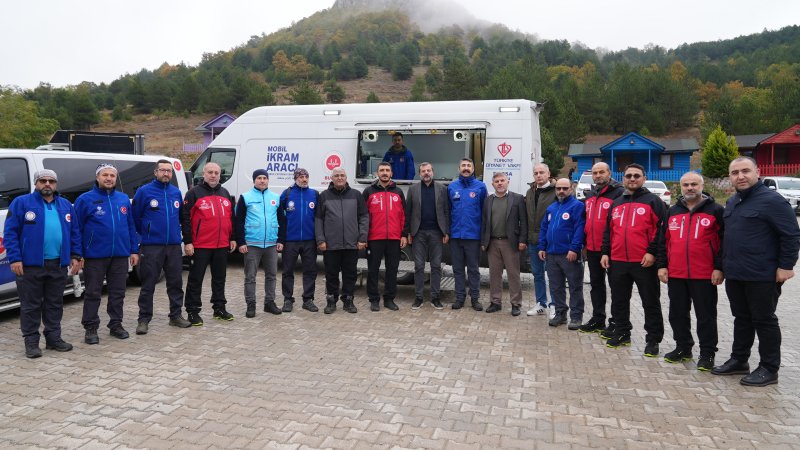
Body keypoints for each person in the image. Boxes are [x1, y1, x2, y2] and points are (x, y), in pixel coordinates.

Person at [711, 157, 800, 386]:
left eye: (745, 171)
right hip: (736, 273)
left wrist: (786, 265)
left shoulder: (773, 201)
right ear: (730, 177)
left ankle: (769, 368)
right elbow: (726, 238)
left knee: (764, 320)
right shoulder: (732, 202)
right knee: (741, 319)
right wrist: (720, 266)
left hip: (762, 274)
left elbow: (791, 234)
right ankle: (739, 360)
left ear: (757, 172)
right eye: (735, 173)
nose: (740, 176)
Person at [4, 170, 81, 358]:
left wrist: (76, 255)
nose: (47, 184)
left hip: (58, 264)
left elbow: (74, 232)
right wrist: (15, 258)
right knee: (30, 306)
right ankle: (31, 343)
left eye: (51, 181)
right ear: (36, 183)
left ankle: (53, 338)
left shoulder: (65, 205)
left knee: (54, 304)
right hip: (30, 266)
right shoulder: (22, 203)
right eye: (43, 180)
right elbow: (10, 233)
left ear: (56, 184)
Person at [656, 172, 724, 371]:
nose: (690, 188)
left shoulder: (716, 210)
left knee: (706, 316)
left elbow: (724, 242)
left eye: (694, 184)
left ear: (702, 186)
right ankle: (683, 348)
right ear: (681, 187)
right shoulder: (672, 211)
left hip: (704, 274)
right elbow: (663, 240)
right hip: (676, 273)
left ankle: (707, 353)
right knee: (677, 314)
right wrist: (662, 265)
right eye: (686, 185)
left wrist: (719, 267)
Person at [600, 163, 666, 356]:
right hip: (618, 260)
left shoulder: (654, 201)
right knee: (619, 300)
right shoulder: (617, 203)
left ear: (644, 178)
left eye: (637, 175)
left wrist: (652, 252)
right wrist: (605, 252)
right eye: (628, 176)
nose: (632, 179)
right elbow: (609, 230)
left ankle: (653, 339)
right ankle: (622, 332)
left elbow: (661, 231)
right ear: (623, 179)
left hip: (644, 261)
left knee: (650, 302)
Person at [74, 164, 139, 344]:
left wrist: (134, 250)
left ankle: (116, 324)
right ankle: (91, 328)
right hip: (94, 256)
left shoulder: (123, 199)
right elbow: (76, 229)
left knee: (118, 292)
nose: (109, 178)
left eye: (112, 175)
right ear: (97, 177)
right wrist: (78, 254)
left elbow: (131, 226)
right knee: (93, 293)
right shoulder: (85, 199)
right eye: (105, 175)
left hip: (120, 255)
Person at [132, 160, 192, 334]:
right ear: (155, 172)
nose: (166, 173)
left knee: (175, 283)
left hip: (173, 246)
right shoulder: (144, 191)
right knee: (148, 284)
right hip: (152, 246)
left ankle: (175, 316)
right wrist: (145, 234)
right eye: (162, 170)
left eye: (169, 171)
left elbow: (181, 217)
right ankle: (143, 319)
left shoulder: (175, 192)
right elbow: (135, 218)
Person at [181, 162, 237, 325]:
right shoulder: (193, 193)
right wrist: (188, 242)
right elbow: (185, 219)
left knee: (220, 279)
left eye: (216, 173)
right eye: (210, 172)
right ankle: (192, 311)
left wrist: (232, 238)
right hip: (201, 245)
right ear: (203, 174)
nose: (213, 175)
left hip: (221, 245)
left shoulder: (225, 193)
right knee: (195, 279)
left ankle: (219, 308)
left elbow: (231, 218)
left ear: (220, 175)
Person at [316, 168, 369, 314]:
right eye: (336, 176)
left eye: (342, 175)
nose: (339, 178)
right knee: (331, 274)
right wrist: (320, 240)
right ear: (331, 178)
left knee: (350, 274)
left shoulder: (356, 195)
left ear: (346, 177)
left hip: (351, 244)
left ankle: (348, 300)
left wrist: (362, 238)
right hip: (330, 244)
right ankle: (331, 300)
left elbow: (364, 217)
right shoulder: (324, 196)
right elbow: (318, 220)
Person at [579, 162, 623, 335]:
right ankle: (598, 319)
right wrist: (584, 244)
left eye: (601, 172)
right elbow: (586, 221)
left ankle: (616, 322)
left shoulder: (619, 193)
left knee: (616, 287)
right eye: (595, 173)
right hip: (592, 248)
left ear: (609, 173)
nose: (598, 175)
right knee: (596, 285)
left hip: (611, 250)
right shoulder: (590, 194)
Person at [538, 178, 586, 329]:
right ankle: (560, 314)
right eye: (558, 188)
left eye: (565, 188)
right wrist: (542, 247)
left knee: (575, 287)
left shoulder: (577, 206)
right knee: (556, 287)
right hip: (551, 254)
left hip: (569, 254)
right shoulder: (551, 208)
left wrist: (574, 249)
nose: (561, 191)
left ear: (571, 188)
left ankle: (576, 317)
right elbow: (544, 228)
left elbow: (580, 228)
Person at [235, 169, 281, 318]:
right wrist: (241, 242)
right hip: (252, 244)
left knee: (272, 275)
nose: (262, 180)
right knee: (250, 277)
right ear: (254, 180)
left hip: (271, 244)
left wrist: (281, 240)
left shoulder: (275, 197)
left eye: (264, 178)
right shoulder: (245, 197)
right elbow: (238, 221)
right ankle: (251, 304)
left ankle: (269, 303)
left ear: (268, 180)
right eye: (259, 178)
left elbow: (282, 219)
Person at [363, 162, 408, 311]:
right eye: (382, 170)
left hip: (394, 238)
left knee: (392, 270)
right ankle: (374, 299)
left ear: (391, 173)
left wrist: (403, 235)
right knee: (373, 270)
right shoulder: (368, 191)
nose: (384, 172)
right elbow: (363, 216)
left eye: (387, 170)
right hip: (374, 238)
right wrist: (364, 237)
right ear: (377, 173)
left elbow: (404, 215)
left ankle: (389, 299)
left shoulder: (398, 192)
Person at [480, 172, 527, 316]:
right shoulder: (488, 200)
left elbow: (524, 221)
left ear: (508, 182)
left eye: (502, 180)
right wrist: (483, 241)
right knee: (494, 274)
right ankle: (495, 302)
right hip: (492, 242)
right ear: (492, 184)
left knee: (513, 274)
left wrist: (522, 240)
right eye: (497, 181)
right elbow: (484, 222)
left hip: (510, 242)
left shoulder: (517, 198)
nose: (500, 183)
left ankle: (516, 303)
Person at [405, 162, 450, 310]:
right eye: (423, 171)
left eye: (428, 170)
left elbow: (446, 211)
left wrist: (446, 231)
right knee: (419, 266)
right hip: (418, 233)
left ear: (433, 172)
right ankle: (418, 297)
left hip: (437, 233)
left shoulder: (442, 189)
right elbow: (408, 212)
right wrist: (408, 232)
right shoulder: (413, 189)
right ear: (419, 174)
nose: (426, 173)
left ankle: (435, 297)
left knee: (436, 266)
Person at [277, 167, 319, 313]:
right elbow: (279, 216)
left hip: (310, 240)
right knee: (287, 271)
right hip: (290, 240)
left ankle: (308, 300)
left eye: (306, 176)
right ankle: (288, 299)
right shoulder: (287, 194)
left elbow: (319, 217)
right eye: (301, 177)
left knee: (310, 271)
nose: (304, 179)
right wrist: (280, 237)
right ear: (295, 178)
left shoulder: (314, 194)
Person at [448, 158, 487, 311]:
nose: (466, 168)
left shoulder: (480, 187)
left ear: (473, 169)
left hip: (473, 236)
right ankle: (459, 297)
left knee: (473, 269)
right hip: (456, 235)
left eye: (468, 166)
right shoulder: (452, 187)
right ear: (459, 168)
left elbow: (484, 213)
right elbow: (448, 210)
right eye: (463, 165)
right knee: (457, 269)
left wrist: (483, 236)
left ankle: (475, 299)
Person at [524, 163, 556, 317]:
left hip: (551, 241)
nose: (538, 175)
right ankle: (541, 304)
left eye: (542, 172)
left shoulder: (556, 191)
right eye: (536, 173)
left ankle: (555, 305)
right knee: (537, 274)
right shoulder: (530, 192)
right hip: (533, 241)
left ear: (548, 174)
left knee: (554, 275)